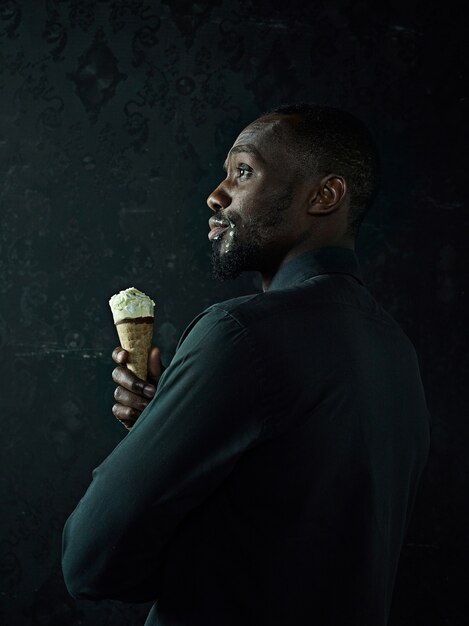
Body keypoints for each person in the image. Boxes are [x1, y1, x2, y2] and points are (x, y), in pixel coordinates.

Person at [62, 103, 431, 625]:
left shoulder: (239, 334)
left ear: (324, 196)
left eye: (243, 171)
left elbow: (91, 564)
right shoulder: (396, 351)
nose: (215, 194)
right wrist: (165, 430)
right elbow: (282, 532)